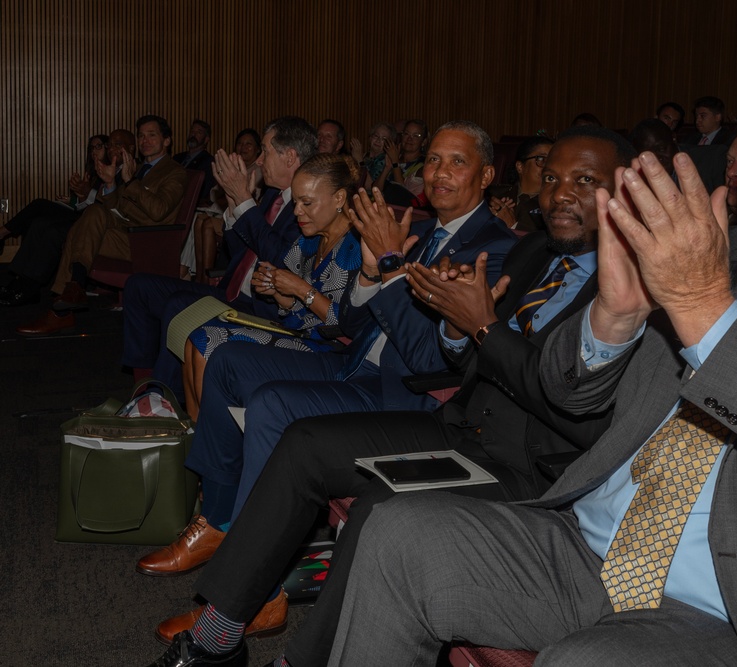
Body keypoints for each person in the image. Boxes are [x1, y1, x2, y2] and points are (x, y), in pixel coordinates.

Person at [326, 87, 737, 666]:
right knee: (396, 530)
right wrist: (613, 320)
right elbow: (566, 392)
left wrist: (706, 311)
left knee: (586, 662)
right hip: (587, 549)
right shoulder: (702, 256)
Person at [143, 125, 633, 667]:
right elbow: (459, 353)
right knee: (303, 442)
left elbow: (575, 406)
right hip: (460, 421)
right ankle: (218, 634)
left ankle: (298, 661)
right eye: (554, 177)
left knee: (381, 508)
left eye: (585, 180)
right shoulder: (535, 250)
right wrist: (457, 322)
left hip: (530, 467)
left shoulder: (626, 287)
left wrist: (472, 322)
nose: (562, 192)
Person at [133, 121, 517, 581]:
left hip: (404, 393)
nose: (439, 172)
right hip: (352, 360)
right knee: (226, 358)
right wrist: (372, 277)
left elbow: (429, 357)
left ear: (488, 176)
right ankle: (217, 517)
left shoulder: (493, 248)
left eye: (457, 162)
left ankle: (252, 576)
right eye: (433, 159)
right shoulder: (421, 229)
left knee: (270, 402)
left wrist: (390, 267)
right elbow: (355, 323)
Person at [120, 117, 314, 395]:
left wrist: (246, 202)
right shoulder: (274, 195)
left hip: (263, 307)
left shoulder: (307, 202)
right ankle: (145, 380)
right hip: (232, 290)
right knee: (139, 287)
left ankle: (161, 397)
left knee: (179, 305)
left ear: (290, 157)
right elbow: (239, 251)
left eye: (265, 151)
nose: (259, 160)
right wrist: (235, 205)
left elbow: (284, 260)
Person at [182, 153, 363, 421]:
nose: (297, 211)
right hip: (304, 336)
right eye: (296, 202)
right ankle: (197, 435)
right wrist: (280, 294)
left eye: (306, 202)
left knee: (207, 341)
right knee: (195, 339)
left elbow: (349, 325)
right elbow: (297, 310)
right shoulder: (309, 240)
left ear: (339, 199)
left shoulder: (357, 247)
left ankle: (211, 440)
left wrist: (300, 289)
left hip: (335, 351)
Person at [17, 116, 186, 335]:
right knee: (92, 213)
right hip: (124, 231)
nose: (145, 140)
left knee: (75, 233)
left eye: (152, 135)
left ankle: (63, 304)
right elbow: (117, 207)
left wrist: (130, 181)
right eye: (141, 135)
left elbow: (159, 211)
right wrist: (109, 183)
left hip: (147, 240)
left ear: (167, 141)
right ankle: (71, 293)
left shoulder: (175, 172)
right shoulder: (142, 168)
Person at [0, 132, 116, 306]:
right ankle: (20, 281)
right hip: (83, 214)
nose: (94, 151)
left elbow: (106, 206)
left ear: (109, 148)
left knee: (47, 221)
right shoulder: (93, 172)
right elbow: (88, 204)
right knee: (39, 220)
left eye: (99, 146)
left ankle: (25, 282)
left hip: (93, 223)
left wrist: (86, 193)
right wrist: (75, 200)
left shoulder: (114, 171)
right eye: (91, 148)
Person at [187, 128, 263, 283]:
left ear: (257, 149)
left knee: (207, 224)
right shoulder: (234, 167)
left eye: (249, 144)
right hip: (226, 212)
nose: (243, 147)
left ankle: (207, 278)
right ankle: (199, 275)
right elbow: (214, 193)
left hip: (243, 216)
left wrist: (228, 195)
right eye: (240, 143)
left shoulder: (259, 170)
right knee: (199, 219)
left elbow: (243, 198)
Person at [487, 135, 554, 231]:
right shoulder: (493, 195)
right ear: (520, 167)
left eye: (552, 160)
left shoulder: (554, 204)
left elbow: (543, 243)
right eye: (541, 159)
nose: (548, 166)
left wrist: (513, 226)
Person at [374, 119, 429, 206]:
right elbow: (375, 190)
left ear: (423, 142)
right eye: (406, 134)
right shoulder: (394, 156)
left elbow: (401, 193)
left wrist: (395, 162)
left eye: (416, 136)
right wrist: (387, 168)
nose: (409, 139)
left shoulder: (424, 165)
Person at [174, 119, 216, 203]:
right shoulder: (177, 158)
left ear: (206, 139)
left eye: (199, 132)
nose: (193, 134)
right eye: (192, 131)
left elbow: (202, 191)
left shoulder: (209, 162)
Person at [349, 121, 396, 189]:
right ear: (370, 137)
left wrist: (359, 161)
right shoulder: (364, 155)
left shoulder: (386, 160)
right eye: (376, 136)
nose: (378, 140)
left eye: (384, 139)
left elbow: (370, 186)